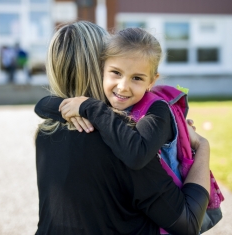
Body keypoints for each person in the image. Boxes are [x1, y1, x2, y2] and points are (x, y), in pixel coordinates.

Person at [35, 21, 210, 235]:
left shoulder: (45, 132)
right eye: (115, 70)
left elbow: (44, 104)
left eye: (136, 77)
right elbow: (189, 222)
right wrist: (202, 146)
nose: (123, 85)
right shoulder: (123, 138)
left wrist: (57, 105)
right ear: (101, 67)